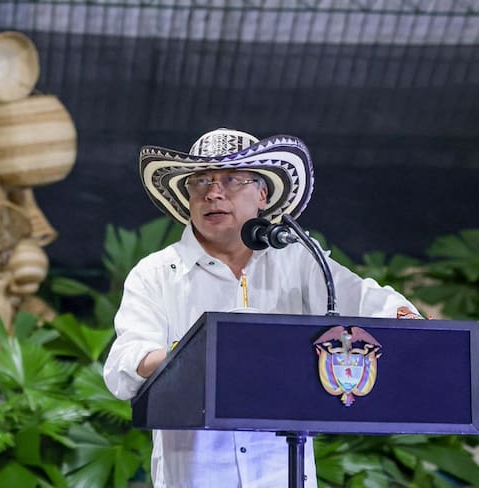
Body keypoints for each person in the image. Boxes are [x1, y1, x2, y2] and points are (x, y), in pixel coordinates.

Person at [103, 128, 422, 487]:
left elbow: (369, 301)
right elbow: (123, 367)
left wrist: (415, 329)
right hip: (196, 477)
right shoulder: (156, 273)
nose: (213, 192)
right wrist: (195, 353)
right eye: (201, 181)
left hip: (284, 475)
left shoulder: (298, 260)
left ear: (262, 195)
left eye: (231, 179)